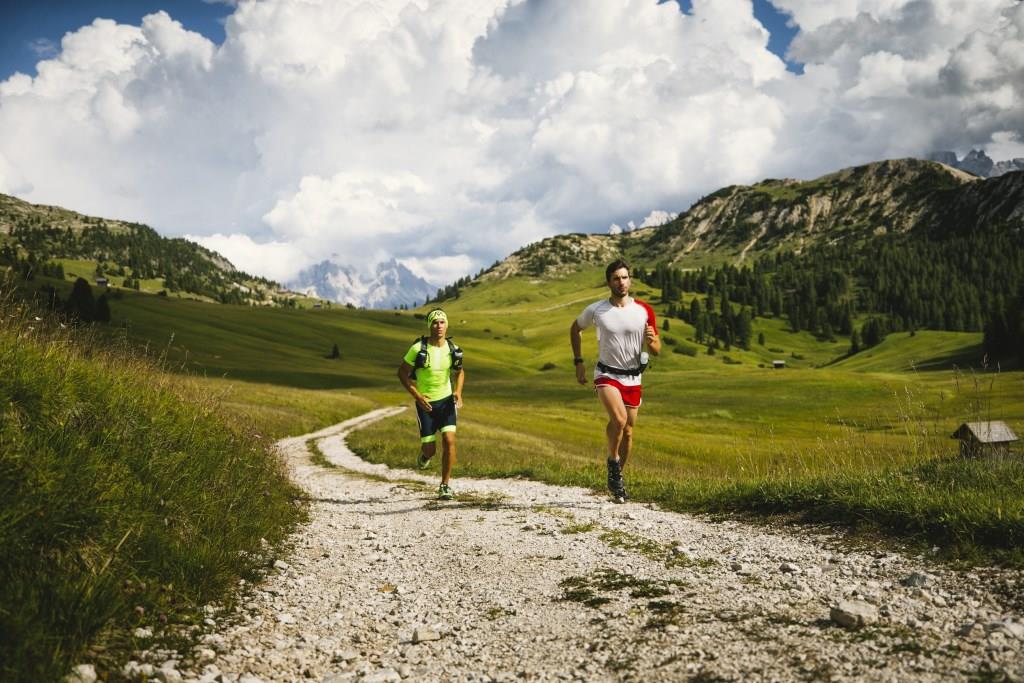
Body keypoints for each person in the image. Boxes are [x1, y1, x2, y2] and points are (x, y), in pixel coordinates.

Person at [569, 259, 661, 503]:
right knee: (618, 420)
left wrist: (652, 342)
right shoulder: (597, 310)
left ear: (630, 280)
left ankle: (616, 480)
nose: (621, 282)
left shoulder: (644, 311)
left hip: (634, 376)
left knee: (628, 432)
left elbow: (657, 350)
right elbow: (575, 329)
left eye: (625, 277)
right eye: (616, 278)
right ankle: (612, 460)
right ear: (608, 282)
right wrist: (578, 362)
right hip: (607, 374)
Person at [397, 308, 465, 500]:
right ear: (429, 326)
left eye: (442, 322)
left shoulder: (453, 349)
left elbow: (460, 371)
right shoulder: (418, 348)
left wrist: (458, 392)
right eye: (434, 322)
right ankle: (425, 456)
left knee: (449, 440)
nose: (439, 326)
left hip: (446, 403)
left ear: (447, 324)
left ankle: (445, 485)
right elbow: (402, 373)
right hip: (425, 405)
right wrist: (417, 396)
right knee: (430, 449)